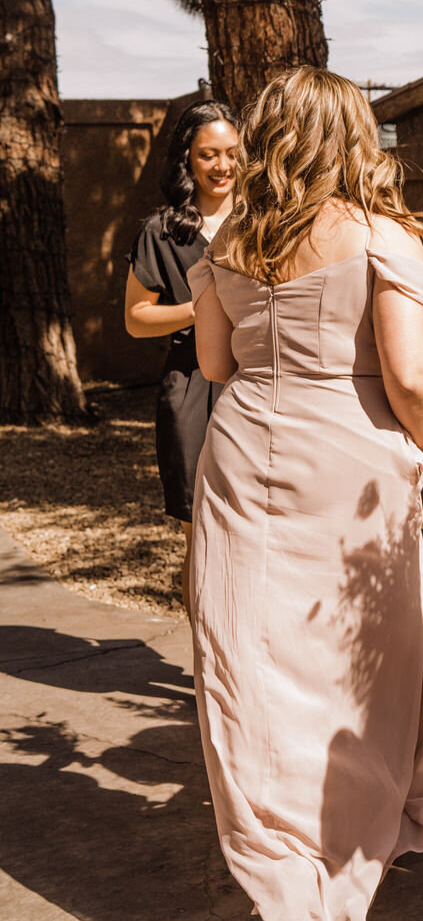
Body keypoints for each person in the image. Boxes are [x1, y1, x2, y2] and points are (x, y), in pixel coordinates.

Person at [187, 67, 423, 921]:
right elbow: (411, 377)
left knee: (255, 657)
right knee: (350, 661)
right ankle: (339, 839)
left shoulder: (227, 244)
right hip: (347, 456)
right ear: (351, 137)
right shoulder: (384, 238)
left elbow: (216, 366)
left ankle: (276, 848)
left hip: (242, 453)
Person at [123, 98, 238, 602]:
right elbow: (135, 318)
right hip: (190, 389)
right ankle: (206, 670)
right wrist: (200, 308)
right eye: (209, 154)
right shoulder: (162, 230)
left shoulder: (264, 222)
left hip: (256, 382)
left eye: (232, 153)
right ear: (187, 159)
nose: (223, 166)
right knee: (201, 532)